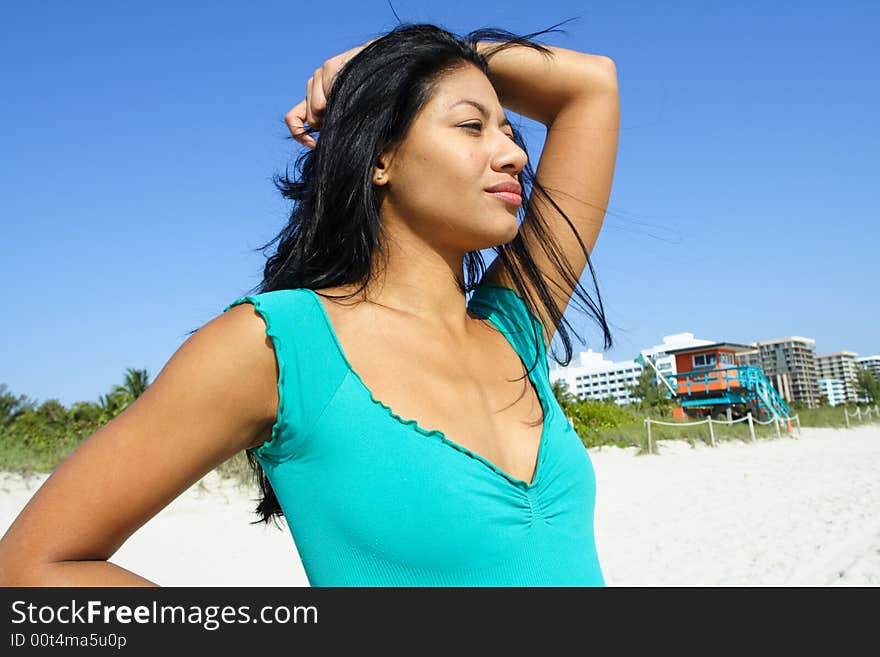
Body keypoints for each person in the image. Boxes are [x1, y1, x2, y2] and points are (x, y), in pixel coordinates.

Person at [0, 22, 619, 586]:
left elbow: (592, 85)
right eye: (471, 126)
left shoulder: (514, 329)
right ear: (381, 156)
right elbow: (31, 567)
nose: (513, 153)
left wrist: (394, 63)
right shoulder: (282, 347)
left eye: (510, 132)